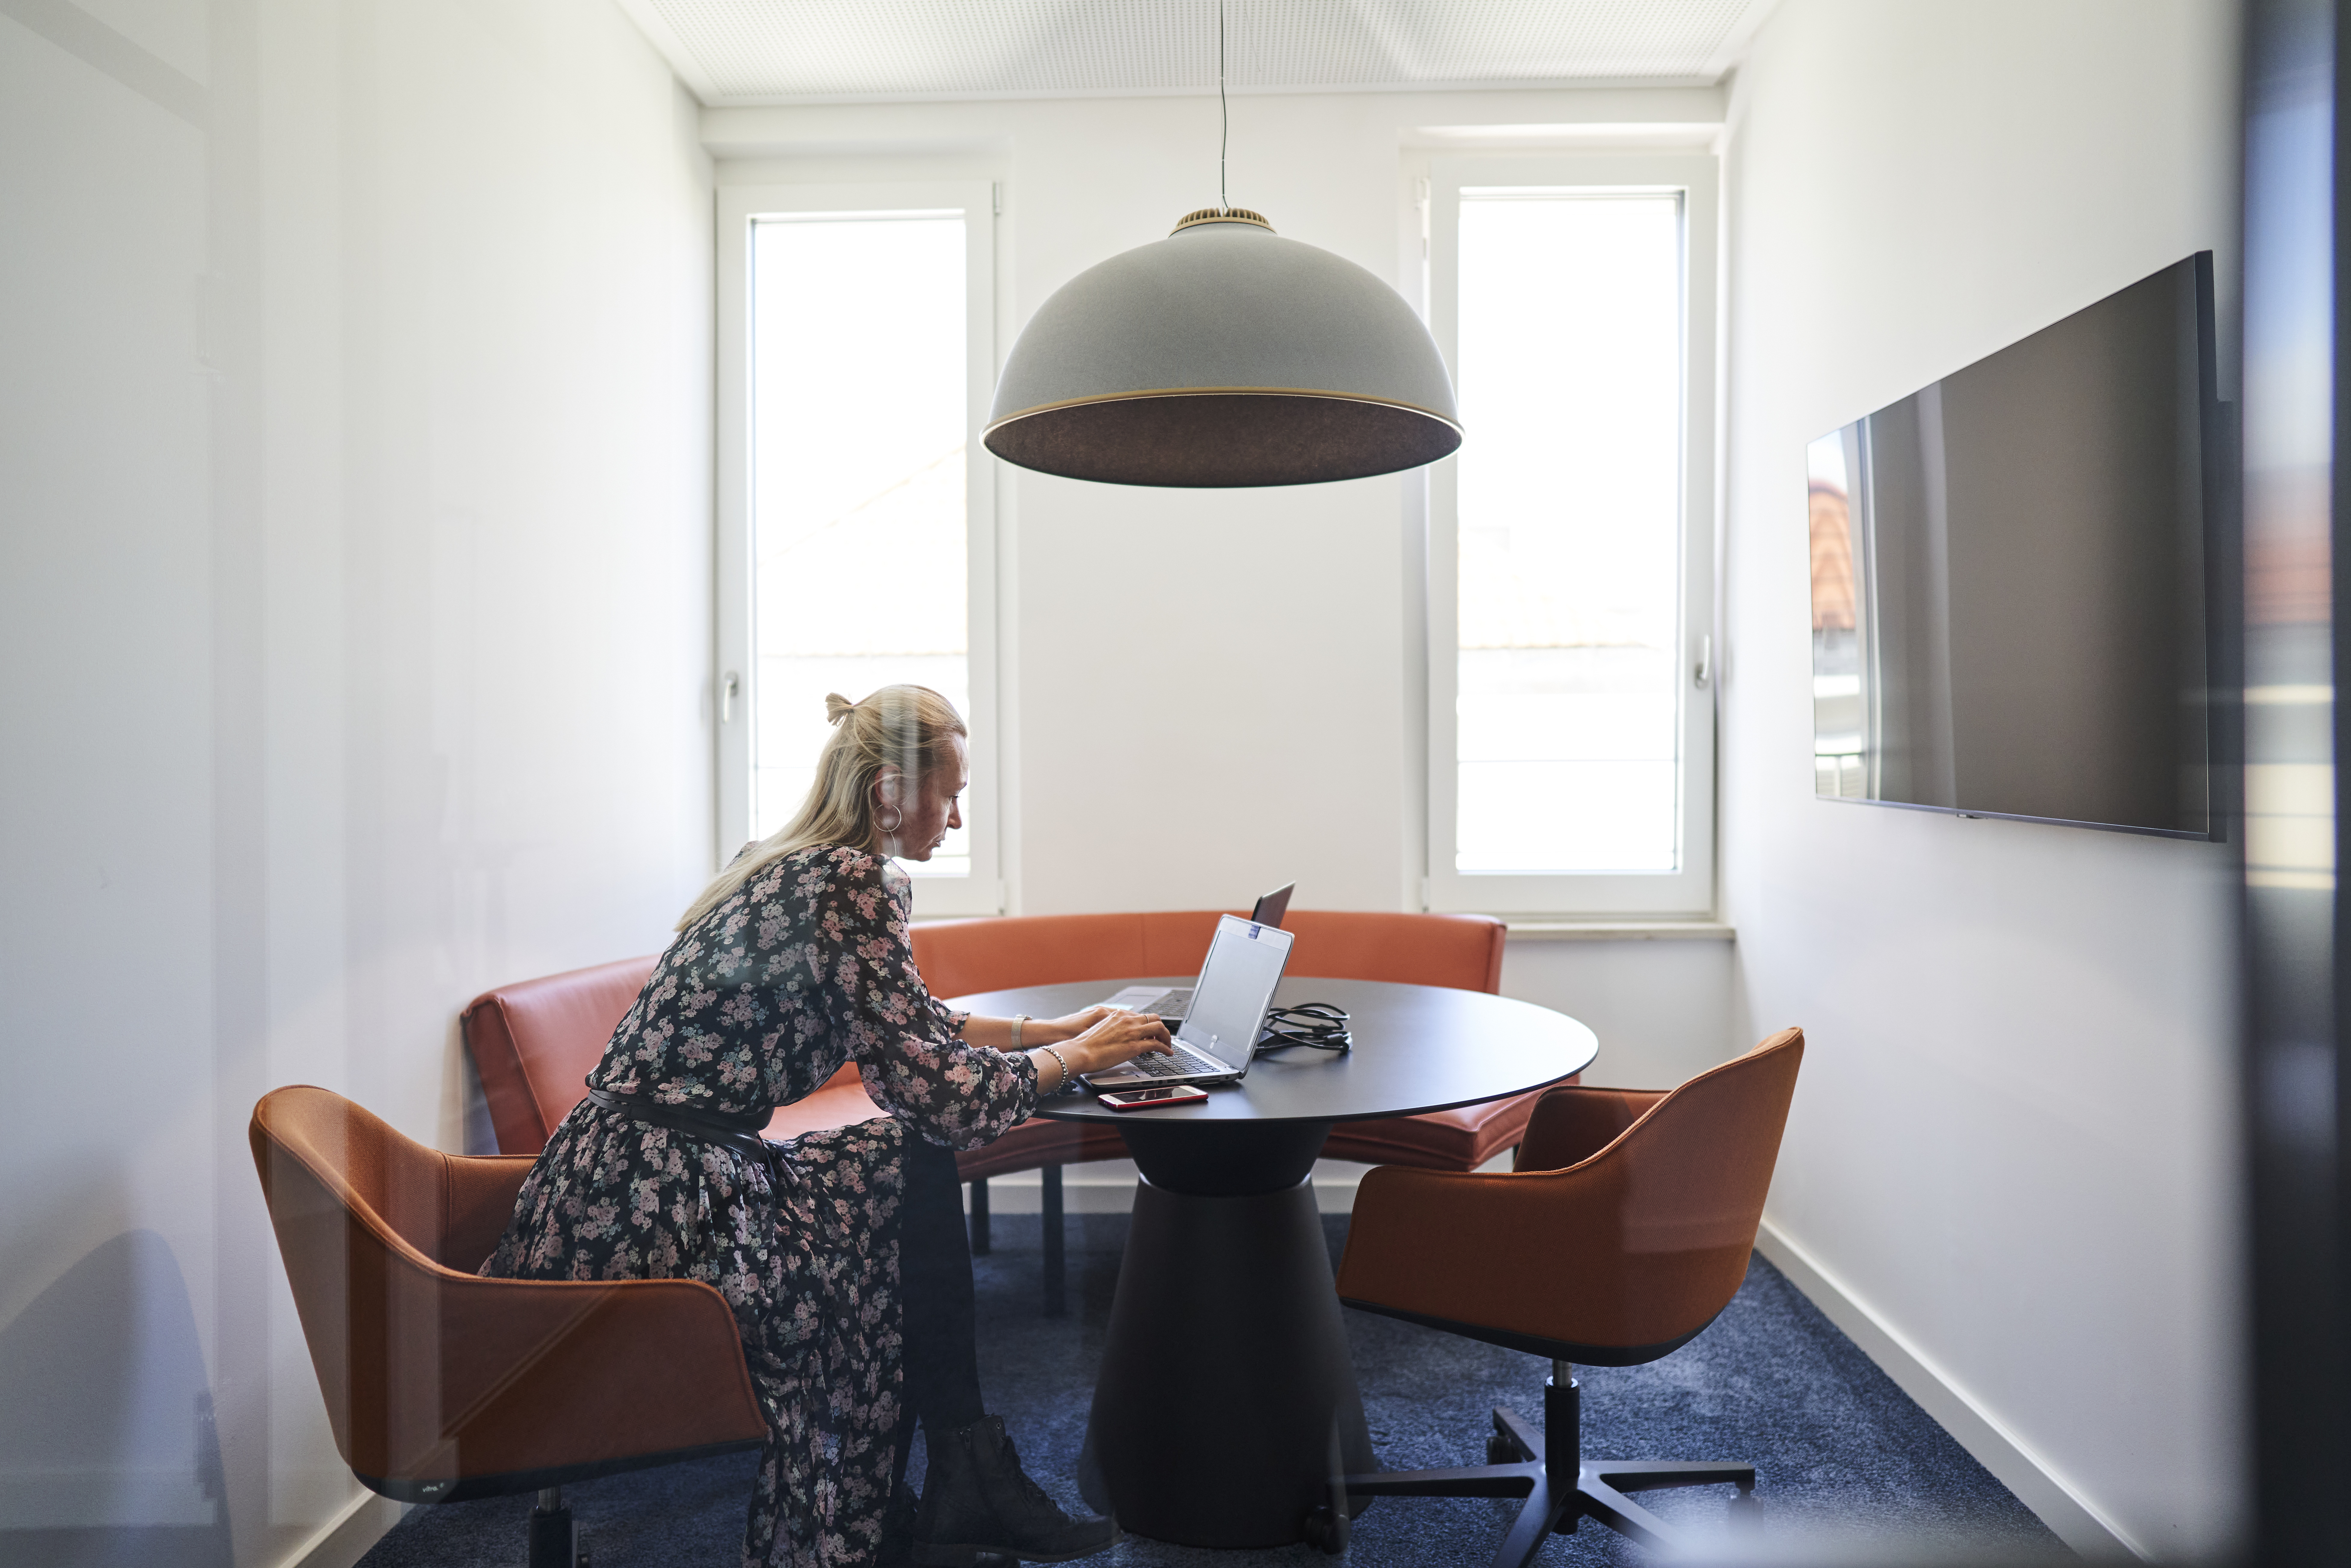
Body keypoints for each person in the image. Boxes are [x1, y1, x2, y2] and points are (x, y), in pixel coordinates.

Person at [480, 685, 1172, 1567]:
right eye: (948, 795)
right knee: (902, 1182)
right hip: (662, 1209)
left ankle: (942, 1483)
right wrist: (1082, 1061)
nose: (956, 820)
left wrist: (1058, 1033)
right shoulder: (854, 881)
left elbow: (907, 1017)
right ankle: (936, 1486)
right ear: (889, 790)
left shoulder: (782, 861)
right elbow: (941, 1095)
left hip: (609, 1182)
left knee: (898, 1164)